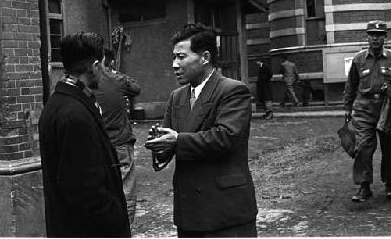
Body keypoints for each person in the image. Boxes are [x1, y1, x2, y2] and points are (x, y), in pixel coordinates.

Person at [145, 23, 258, 237]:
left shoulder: (233, 90)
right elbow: (170, 143)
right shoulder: (176, 97)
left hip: (226, 211)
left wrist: (177, 141)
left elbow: (226, 137)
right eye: (174, 57)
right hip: (190, 211)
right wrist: (159, 146)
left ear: (205, 57)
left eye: (181, 57)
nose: (174, 64)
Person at [38, 33, 130, 237]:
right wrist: (114, 216)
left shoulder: (59, 103)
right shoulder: (74, 114)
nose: (104, 72)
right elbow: (83, 189)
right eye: (103, 66)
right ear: (95, 66)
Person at [344, 20, 391, 202]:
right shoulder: (358, 59)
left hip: (387, 109)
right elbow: (351, 85)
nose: (375, 38)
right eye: (372, 35)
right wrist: (347, 108)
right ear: (367, 36)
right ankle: (364, 186)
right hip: (364, 109)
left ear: (385, 37)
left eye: (379, 35)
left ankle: (390, 185)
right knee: (363, 148)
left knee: (389, 148)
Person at [93, 48, 141, 226]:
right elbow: (136, 88)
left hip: (97, 144)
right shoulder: (116, 79)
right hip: (120, 143)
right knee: (126, 190)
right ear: (109, 62)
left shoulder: (84, 82)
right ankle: (124, 230)